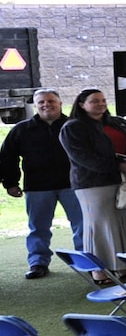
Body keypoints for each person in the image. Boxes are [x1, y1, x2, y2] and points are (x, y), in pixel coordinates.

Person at [57, 89, 126, 285]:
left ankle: (123, 269)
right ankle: (99, 272)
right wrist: (115, 166)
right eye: (94, 101)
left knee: (124, 224)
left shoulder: (118, 122)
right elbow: (82, 157)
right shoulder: (73, 127)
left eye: (103, 100)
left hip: (124, 179)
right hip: (93, 183)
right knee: (100, 226)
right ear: (81, 104)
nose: (100, 104)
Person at [3, 89, 82, 279]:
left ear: (60, 103)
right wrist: (10, 183)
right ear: (35, 105)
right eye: (41, 102)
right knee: (38, 228)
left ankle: (84, 260)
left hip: (73, 184)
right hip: (37, 186)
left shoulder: (74, 126)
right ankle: (38, 263)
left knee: (82, 225)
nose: (46, 105)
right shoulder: (21, 129)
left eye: (51, 101)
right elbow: (7, 158)